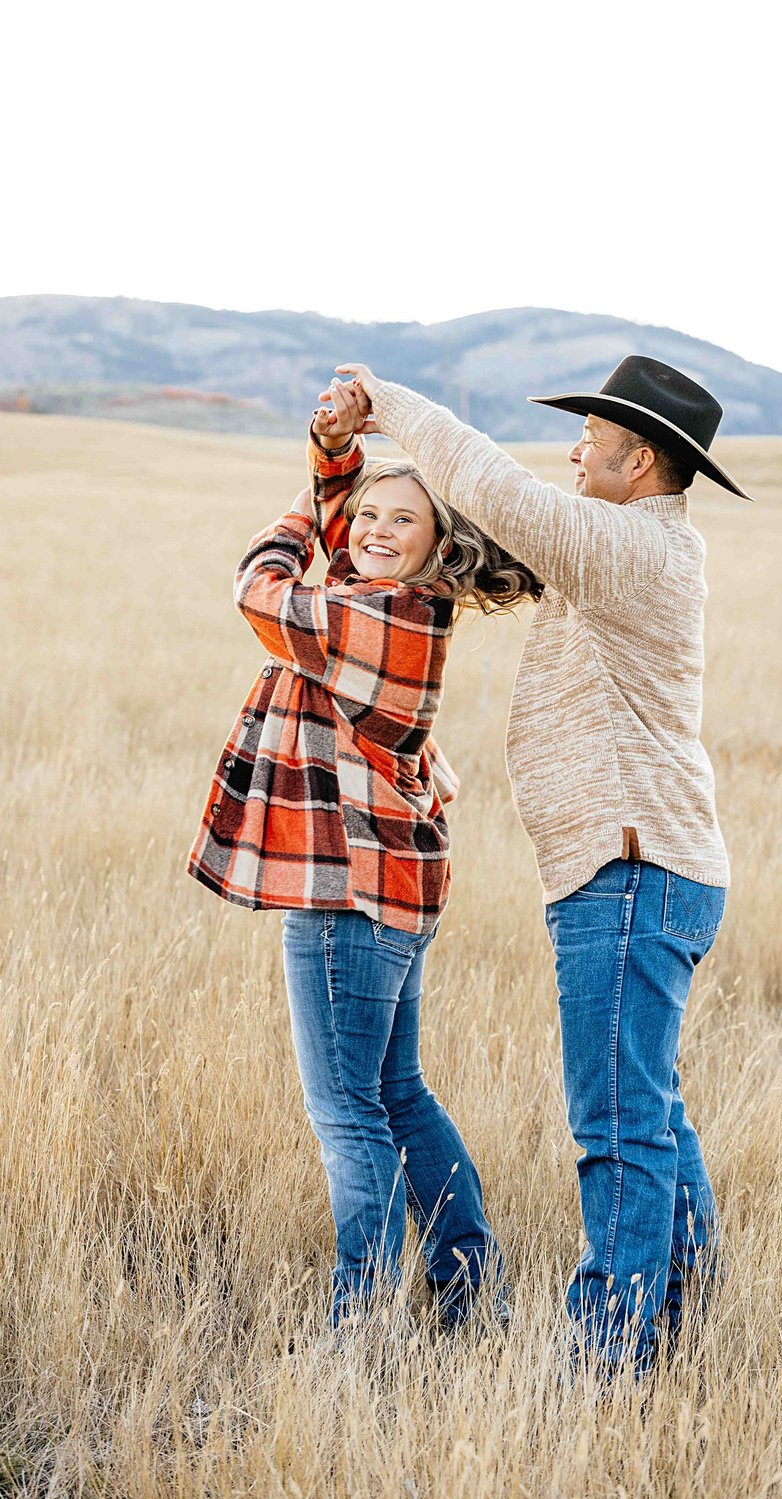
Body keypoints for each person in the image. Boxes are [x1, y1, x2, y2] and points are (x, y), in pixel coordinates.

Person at [332, 356, 754, 1374]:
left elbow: (496, 488)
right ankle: (679, 1304)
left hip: (630, 864)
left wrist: (386, 400)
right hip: (643, 866)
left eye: (591, 435)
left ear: (638, 456)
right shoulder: (625, 547)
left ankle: (611, 1354)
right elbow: (486, 551)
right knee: (645, 1104)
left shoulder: (629, 547)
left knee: (614, 1121)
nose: (574, 447)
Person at [187, 380, 539, 1334]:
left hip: (348, 889)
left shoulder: (370, 616)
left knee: (346, 1112)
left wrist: (311, 504)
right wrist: (333, 447)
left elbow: (257, 584)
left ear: (440, 543)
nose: (379, 529)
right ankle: (471, 1292)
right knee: (396, 1093)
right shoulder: (387, 600)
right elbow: (343, 527)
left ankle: (367, 1320)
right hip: (386, 884)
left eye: (405, 519)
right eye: (371, 514)